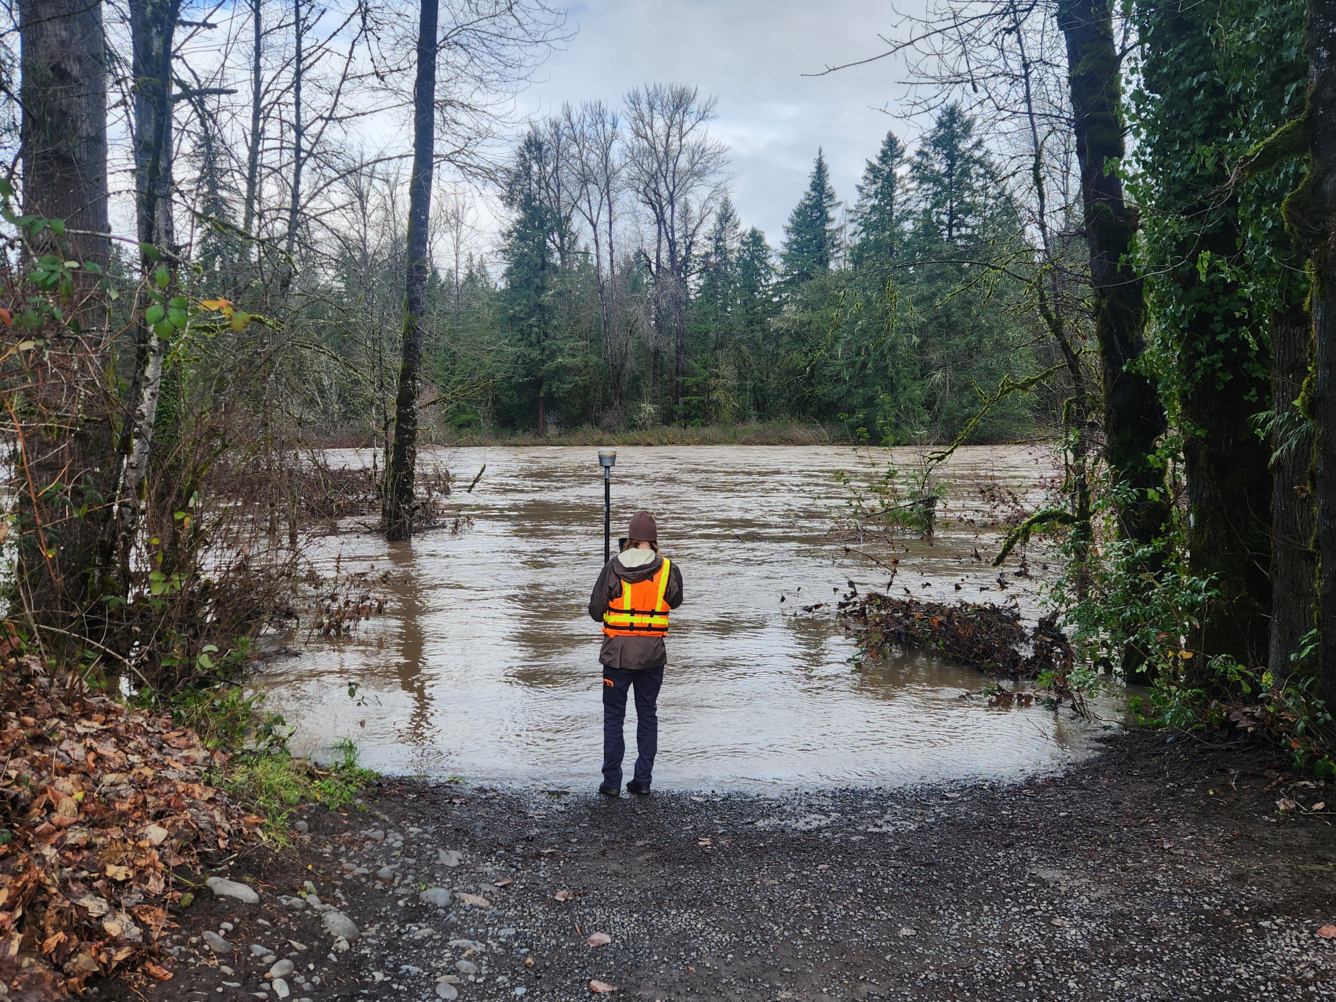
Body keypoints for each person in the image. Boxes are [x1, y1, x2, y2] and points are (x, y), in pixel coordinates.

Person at [587, 509, 684, 797]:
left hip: (617, 656)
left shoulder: (613, 566)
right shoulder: (668, 568)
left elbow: (595, 611)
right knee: (648, 715)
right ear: (654, 541)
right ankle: (642, 780)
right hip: (653, 656)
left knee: (614, 717)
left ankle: (612, 782)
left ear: (629, 538)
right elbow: (675, 601)